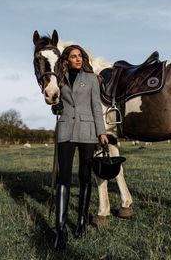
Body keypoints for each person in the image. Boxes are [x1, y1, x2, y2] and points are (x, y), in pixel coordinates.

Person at [51, 45, 108, 250]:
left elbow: (96, 106)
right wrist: (55, 107)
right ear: (66, 59)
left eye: (80, 56)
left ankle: (82, 221)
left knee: (85, 175)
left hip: (88, 131)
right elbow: (57, 102)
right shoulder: (60, 78)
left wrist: (102, 133)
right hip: (66, 129)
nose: (77, 59)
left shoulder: (92, 79)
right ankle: (60, 228)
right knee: (63, 177)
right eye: (73, 56)